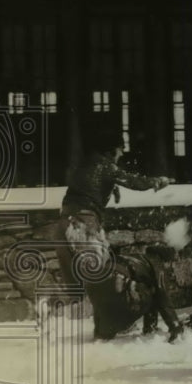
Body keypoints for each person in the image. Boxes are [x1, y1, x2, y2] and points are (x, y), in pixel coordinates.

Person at [55, 127, 172, 337]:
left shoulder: (87, 164)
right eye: (120, 149)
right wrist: (157, 182)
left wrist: (112, 188)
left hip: (64, 224)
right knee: (102, 277)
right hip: (83, 223)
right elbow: (132, 181)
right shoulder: (106, 165)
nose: (121, 154)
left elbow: (88, 184)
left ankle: (78, 322)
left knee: (79, 282)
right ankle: (112, 323)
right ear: (111, 150)